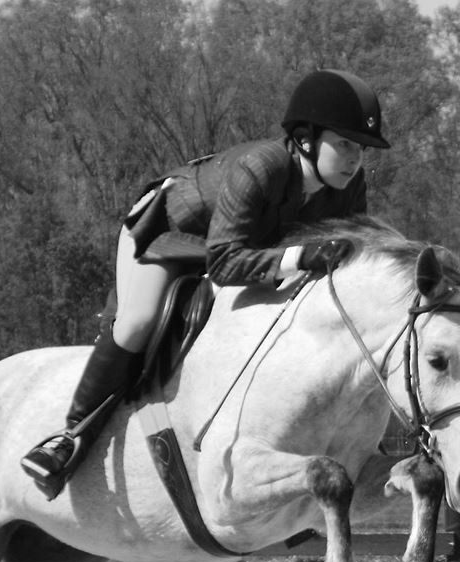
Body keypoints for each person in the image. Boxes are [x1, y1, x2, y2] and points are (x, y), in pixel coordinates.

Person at [21, 68, 391, 499]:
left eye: (360, 149)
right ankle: (68, 440)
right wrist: (300, 257)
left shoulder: (350, 187)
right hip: (168, 235)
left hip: (244, 247)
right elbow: (224, 261)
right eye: (344, 144)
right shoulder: (261, 167)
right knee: (137, 323)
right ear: (307, 139)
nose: (354, 158)